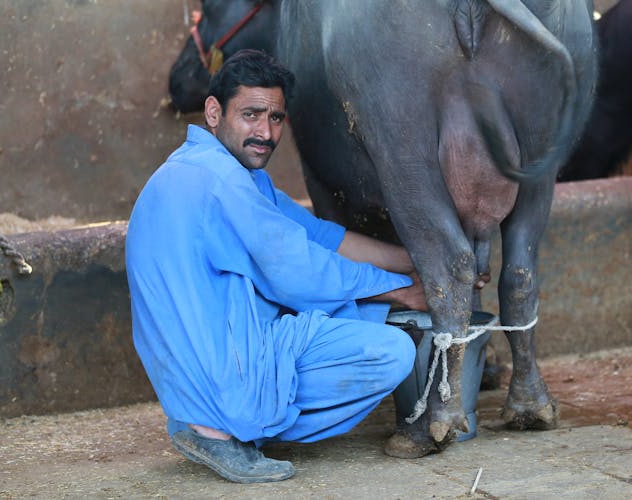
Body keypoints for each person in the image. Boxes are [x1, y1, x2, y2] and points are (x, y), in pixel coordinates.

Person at [125, 49, 427, 483]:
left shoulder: (222, 172)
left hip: (201, 366)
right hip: (222, 363)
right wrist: (399, 289)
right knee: (391, 350)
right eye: (250, 115)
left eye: (276, 118)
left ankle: (210, 421)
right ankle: (226, 427)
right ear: (214, 112)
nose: (265, 132)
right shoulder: (217, 180)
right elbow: (299, 271)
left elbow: (318, 236)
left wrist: (419, 260)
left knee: (346, 306)